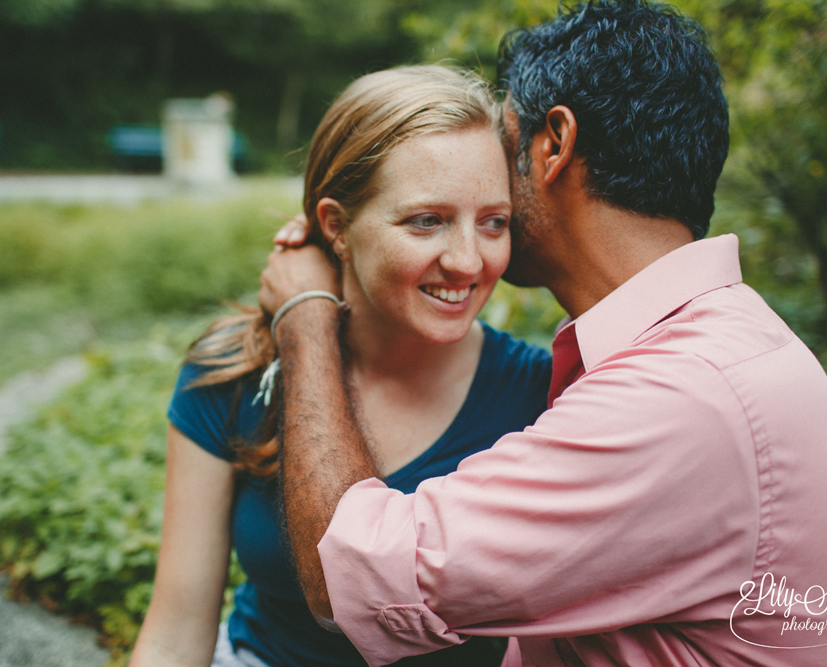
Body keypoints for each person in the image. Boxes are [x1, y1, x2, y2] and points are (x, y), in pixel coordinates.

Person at [257, 1, 827, 665]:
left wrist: (307, 319)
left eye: (505, 146)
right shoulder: (750, 345)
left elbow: (349, 575)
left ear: (553, 144)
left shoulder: (669, 400)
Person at [128, 65, 554, 667]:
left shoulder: (542, 396)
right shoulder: (231, 373)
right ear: (336, 225)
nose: (467, 261)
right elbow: (174, 636)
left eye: (494, 222)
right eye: (426, 220)